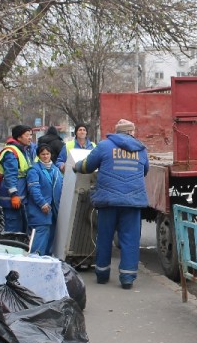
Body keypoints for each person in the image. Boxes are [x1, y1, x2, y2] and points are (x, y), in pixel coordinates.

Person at [74, 118, 149, 289]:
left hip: (108, 201)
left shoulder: (104, 146)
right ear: (131, 132)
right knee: (130, 239)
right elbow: (144, 171)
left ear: (117, 131)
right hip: (132, 202)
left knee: (105, 237)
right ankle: (127, 278)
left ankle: (102, 274)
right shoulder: (141, 149)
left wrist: (75, 166)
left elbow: (87, 166)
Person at [26, 143, 63, 255]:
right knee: (41, 236)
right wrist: (42, 203)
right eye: (43, 154)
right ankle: (36, 260)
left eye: (48, 154)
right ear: (39, 155)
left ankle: (46, 261)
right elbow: (34, 189)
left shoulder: (55, 170)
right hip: (40, 209)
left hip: (53, 210)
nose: (46, 156)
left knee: (50, 238)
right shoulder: (34, 170)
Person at [0, 125, 34, 233]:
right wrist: (14, 195)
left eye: (31, 135)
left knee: (22, 228)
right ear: (19, 137)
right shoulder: (11, 152)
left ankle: (20, 248)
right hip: (12, 198)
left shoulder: (24, 150)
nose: (30, 138)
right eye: (27, 135)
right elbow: (10, 175)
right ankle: (13, 249)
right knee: (13, 230)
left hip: (20, 197)